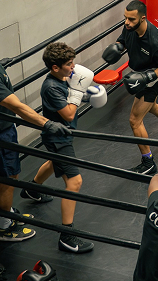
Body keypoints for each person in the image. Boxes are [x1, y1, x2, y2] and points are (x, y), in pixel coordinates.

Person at [0, 21, 70, 241]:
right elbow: (18, 107)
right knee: (8, 178)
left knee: (8, 175)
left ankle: (8, 212)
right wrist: (47, 124)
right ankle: (5, 226)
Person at [20, 42, 100, 253]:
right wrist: (79, 92)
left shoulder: (63, 77)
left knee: (53, 162)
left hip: (60, 135)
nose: (73, 67)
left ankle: (32, 189)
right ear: (55, 67)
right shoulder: (51, 87)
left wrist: (86, 94)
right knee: (74, 182)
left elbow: (69, 98)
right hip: (58, 138)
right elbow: (69, 114)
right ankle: (66, 235)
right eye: (69, 64)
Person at [102, 0, 158, 174]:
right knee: (152, 106)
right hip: (139, 74)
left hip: (152, 79)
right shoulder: (129, 27)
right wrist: (118, 47)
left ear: (142, 18)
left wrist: (147, 76)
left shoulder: (155, 40)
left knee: (135, 120)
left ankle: (148, 162)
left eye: (131, 19)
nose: (127, 22)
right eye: (125, 18)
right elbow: (123, 40)